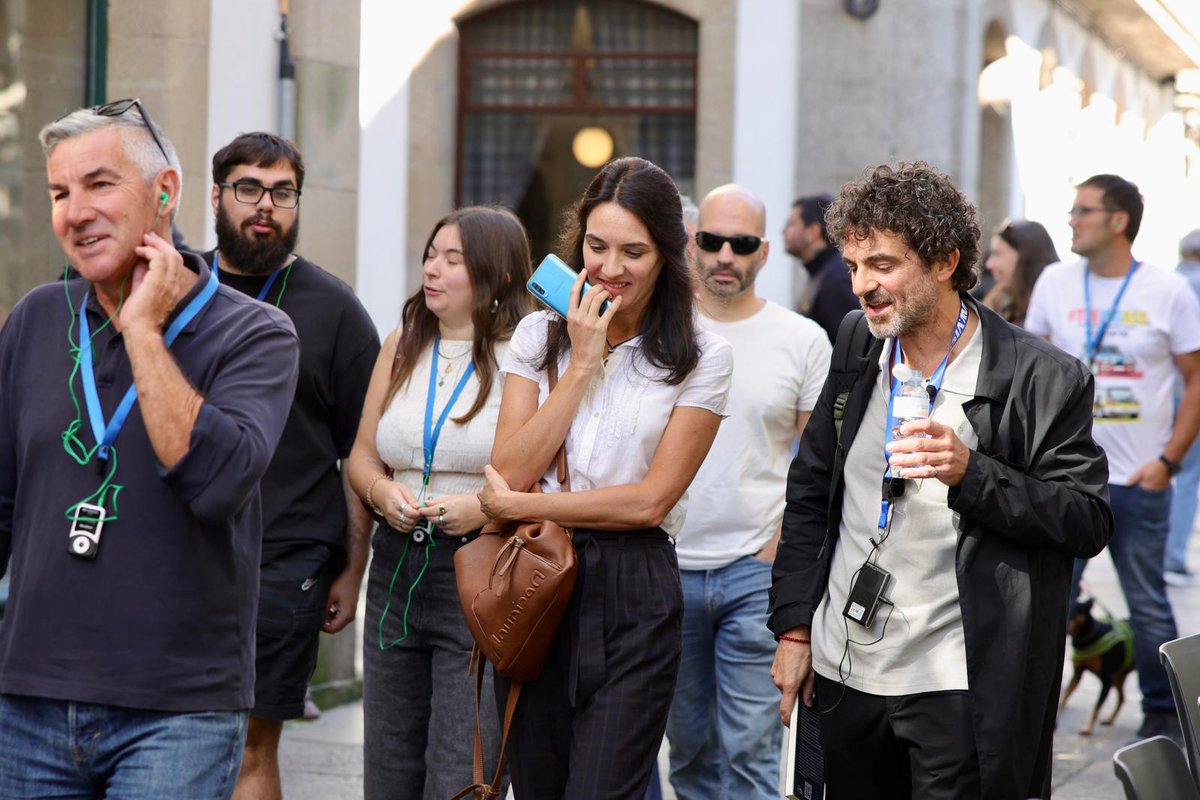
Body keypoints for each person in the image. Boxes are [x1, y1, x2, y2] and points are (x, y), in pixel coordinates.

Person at [770, 161, 1113, 799]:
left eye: (882, 265)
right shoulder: (856, 344)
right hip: (846, 669)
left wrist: (972, 473)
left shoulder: (1040, 376)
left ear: (944, 261)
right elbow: (811, 489)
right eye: (852, 268)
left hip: (958, 683)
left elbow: (1085, 518)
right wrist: (793, 629)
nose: (862, 287)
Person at [0, 102, 299, 798]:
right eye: (59, 193)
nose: (75, 212)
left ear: (165, 191)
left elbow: (216, 483)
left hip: (178, 709)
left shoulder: (257, 334)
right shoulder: (37, 319)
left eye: (99, 185)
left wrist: (143, 333)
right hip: (28, 701)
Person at [478, 156, 733, 799]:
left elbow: (650, 502)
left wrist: (535, 503)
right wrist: (583, 362)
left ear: (668, 256)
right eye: (596, 247)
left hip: (634, 588)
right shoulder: (540, 334)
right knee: (537, 785)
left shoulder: (703, 356)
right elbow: (508, 468)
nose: (610, 269)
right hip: (538, 578)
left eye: (633, 252)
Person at [201, 132, 380, 800]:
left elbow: (361, 452)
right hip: (180, 550)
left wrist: (353, 572)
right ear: (217, 196)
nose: (265, 206)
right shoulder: (175, 288)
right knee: (172, 730)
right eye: (249, 188)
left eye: (282, 192)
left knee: (251, 745)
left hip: (285, 556)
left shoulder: (335, 310)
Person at [348, 205, 532, 799]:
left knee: (462, 768)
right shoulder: (404, 341)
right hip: (397, 560)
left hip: (480, 568)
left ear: (496, 274)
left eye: (454, 260)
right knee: (388, 765)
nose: (433, 269)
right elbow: (360, 457)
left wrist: (484, 507)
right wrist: (380, 492)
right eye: (431, 254)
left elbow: (545, 471)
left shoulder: (524, 354)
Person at [665, 184, 830, 799]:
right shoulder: (661, 331)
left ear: (764, 251)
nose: (724, 256)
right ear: (692, 243)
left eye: (740, 244)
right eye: (711, 241)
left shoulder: (803, 340)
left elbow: (820, 465)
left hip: (754, 570)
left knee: (751, 753)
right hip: (668, 564)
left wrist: (780, 546)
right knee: (688, 752)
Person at [1025, 174, 1200, 742]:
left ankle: (1166, 714)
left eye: (1083, 210)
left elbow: (1195, 378)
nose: (1071, 219)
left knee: (1148, 602)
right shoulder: (1055, 282)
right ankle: (1031, 708)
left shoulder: (1167, 291)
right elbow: (1027, 372)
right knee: (1047, 600)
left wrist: (1169, 461)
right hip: (1064, 481)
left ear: (1117, 221)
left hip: (1137, 478)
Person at [1165, 228, 1200, 586]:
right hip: (1192, 390)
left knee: (1158, 470)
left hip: (1160, 394)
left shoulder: (1169, 283)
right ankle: (1173, 557)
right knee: (1188, 476)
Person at [784, 193, 858, 342]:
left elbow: (854, 344)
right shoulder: (820, 272)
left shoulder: (835, 279)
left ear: (812, 231)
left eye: (791, 224)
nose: (783, 231)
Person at [981, 218, 1059, 327]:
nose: (989, 264)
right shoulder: (998, 305)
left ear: (1025, 257)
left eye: (997, 254)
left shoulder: (1058, 309)